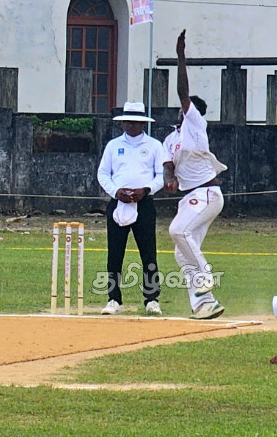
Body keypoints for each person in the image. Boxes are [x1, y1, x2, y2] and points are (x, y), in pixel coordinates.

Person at [163, 29, 227, 320]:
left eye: (186, 109)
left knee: (178, 231)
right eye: (182, 110)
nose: (181, 112)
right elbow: (168, 163)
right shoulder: (171, 138)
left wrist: (180, 56)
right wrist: (169, 178)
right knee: (180, 251)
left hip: (206, 194)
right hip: (189, 197)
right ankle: (205, 303)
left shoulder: (196, 125)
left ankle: (205, 277)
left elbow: (182, 92)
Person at [96, 101, 166, 315]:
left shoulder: (154, 145)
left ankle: (152, 299)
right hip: (119, 202)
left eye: (135, 122)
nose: (130, 126)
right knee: (115, 254)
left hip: (143, 203)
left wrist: (145, 190)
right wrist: (116, 192)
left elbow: (162, 175)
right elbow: (103, 174)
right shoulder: (113, 145)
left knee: (148, 253)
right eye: (127, 122)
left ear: (142, 123)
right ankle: (113, 299)